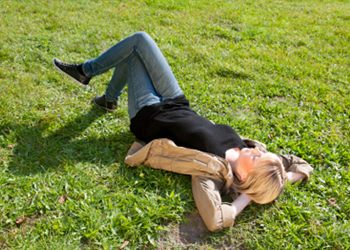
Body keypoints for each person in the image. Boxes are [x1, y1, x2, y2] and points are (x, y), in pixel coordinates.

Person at [53, 32, 313, 231]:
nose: (257, 150)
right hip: (176, 102)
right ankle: (108, 99)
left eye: (257, 158)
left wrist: (246, 197)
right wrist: (277, 183)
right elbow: (301, 165)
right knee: (139, 44)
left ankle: (85, 72)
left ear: (244, 176)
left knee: (136, 46)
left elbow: (215, 219)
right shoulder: (252, 154)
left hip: (150, 115)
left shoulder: (211, 171)